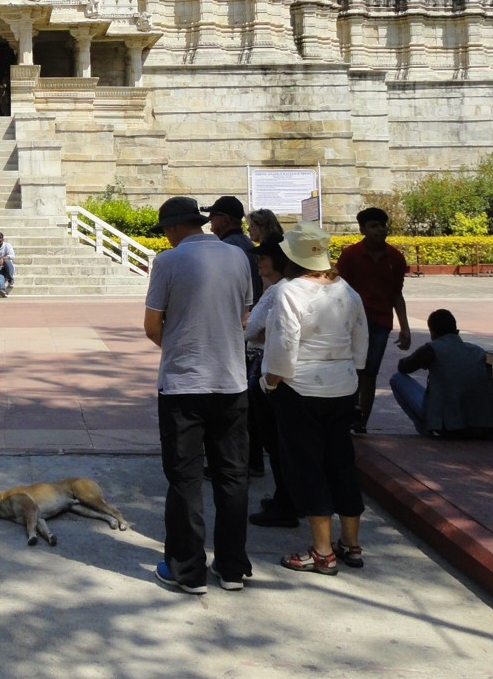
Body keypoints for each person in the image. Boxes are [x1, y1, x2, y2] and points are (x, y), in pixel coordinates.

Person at [143, 196, 253, 595]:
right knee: (232, 476)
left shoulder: (168, 262)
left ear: (173, 228)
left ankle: (188, 569)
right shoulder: (237, 257)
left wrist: (179, 346)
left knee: (185, 478)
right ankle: (232, 566)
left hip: (183, 385)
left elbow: (152, 324)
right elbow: (244, 315)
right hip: (231, 382)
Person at [263, 220, 368, 576]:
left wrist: (272, 379)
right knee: (341, 462)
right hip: (342, 385)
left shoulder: (288, 291)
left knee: (308, 467)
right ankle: (351, 543)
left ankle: (322, 551)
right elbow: (360, 337)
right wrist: (352, 369)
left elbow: (283, 342)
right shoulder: (346, 289)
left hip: (300, 388)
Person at [334, 207, 411, 434]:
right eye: (373, 226)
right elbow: (338, 289)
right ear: (363, 229)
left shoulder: (395, 258)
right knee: (349, 369)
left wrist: (404, 326)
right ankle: (347, 413)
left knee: (370, 372)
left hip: (380, 323)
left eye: (382, 225)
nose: (380, 229)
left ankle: (362, 422)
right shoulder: (350, 255)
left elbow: (397, 293)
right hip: (350, 323)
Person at [390, 309, 493, 438]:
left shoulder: (432, 349)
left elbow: (404, 367)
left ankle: (426, 428)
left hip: (448, 426)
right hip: (485, 425)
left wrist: (423, 360)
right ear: (456, 330)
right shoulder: (477, 351)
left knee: (397, 379)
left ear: (433, 333)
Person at [246, 238, 300, 528]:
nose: (258, 263)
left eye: (263, 258)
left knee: (276, 443)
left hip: (270, 372)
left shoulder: (279, 291)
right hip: (277, 369)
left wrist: (250, 329)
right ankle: (285, 496)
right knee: (279, 444)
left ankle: (286, 503)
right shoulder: (280, 289)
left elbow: (252, 329)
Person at [205, 195, 263, 305]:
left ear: (225, 220)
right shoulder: (245, 241)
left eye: (213, 215)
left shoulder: (227, 247)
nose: (209, 218)